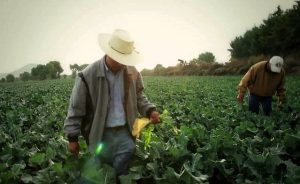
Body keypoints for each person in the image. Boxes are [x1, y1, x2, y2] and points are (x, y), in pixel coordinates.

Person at [64, 29, 160, 182]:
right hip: (101, 134)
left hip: (125, 132)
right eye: (119, 58)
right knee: (98, 172)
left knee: (122, 170)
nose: (123, 62)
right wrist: (72, 138)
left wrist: (150, 110)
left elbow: (139, 96)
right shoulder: (87, 75)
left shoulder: (132, 71)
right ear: (109, 53)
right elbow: (76, 109)